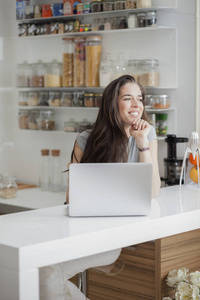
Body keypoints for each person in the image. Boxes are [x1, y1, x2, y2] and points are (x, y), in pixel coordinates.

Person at [68, 74, 161, 200]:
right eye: (128, 99)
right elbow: (73, 195)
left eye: (139, 99)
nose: (136, 104)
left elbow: (152, 191)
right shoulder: (85, 139)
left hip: (135, 215)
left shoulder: (148, 134)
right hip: (96, 214)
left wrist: (142, 144)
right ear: (112, 104)